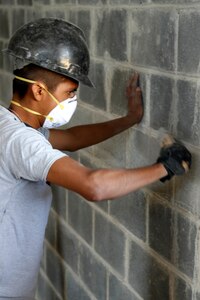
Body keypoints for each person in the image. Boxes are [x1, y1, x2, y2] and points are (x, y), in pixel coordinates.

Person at [0, 18, 191, 299]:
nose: (72, 101)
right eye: (70, 93)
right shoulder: (21, 142)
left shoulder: (12, 124)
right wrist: (165, 166)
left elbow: (72, 138)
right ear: (39, 90)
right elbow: (94, 185)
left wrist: (129, 120)